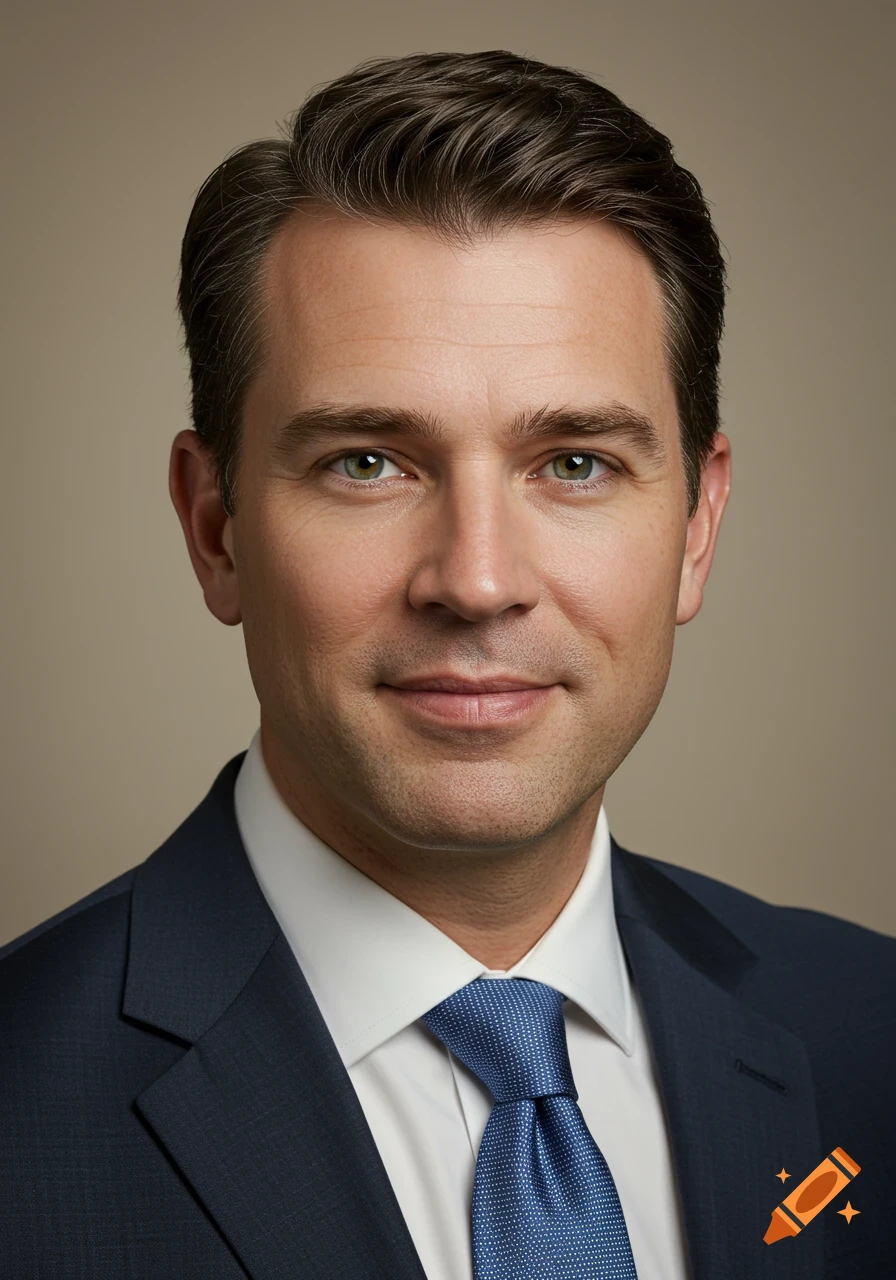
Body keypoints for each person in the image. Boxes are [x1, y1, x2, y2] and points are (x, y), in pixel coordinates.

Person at [0, 49, 892, 1280]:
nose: (474, 579)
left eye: (573, 461)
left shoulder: (871, 1029)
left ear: (696, 526)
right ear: (215, 530)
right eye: (368, 460)